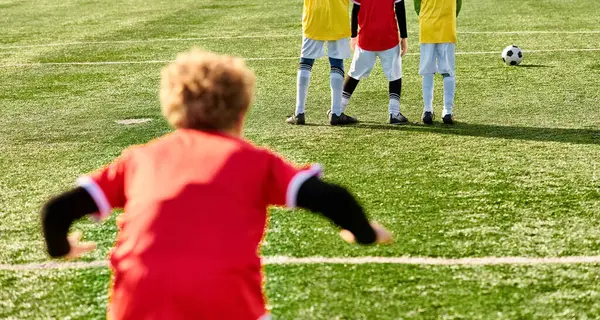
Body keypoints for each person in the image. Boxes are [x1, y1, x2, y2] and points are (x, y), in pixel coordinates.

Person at [41, 50, 392, 320]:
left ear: (173, 108)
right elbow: (331, 198)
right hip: (226, 299)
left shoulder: (138, 160)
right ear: (242, 110)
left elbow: (56, 211)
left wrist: (61, 248)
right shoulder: (255, 162)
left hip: (137, 302)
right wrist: (363, 232)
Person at [287, 0, 358, 126]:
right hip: (337, 16)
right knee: (336, 63)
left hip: (313, 15)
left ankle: (299, 112)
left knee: (305, 62)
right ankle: (336, 113)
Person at [341, 0, 410, 125]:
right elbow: (400, 11)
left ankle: (337, 110)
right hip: (388, 38)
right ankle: (394, 113)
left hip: (367, 38)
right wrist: (404, 37)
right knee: (395, 74)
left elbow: (355, 11)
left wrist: (353, 35)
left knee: (354, 73)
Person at [412, 0, 463, 125]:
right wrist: (448, 18)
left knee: (427, 71)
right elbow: (458, 4)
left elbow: (418, 5)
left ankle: (427, 110)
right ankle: (447, 111)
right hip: (447, 30)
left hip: (427, 31)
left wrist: (426, 18)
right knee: (448, 71)